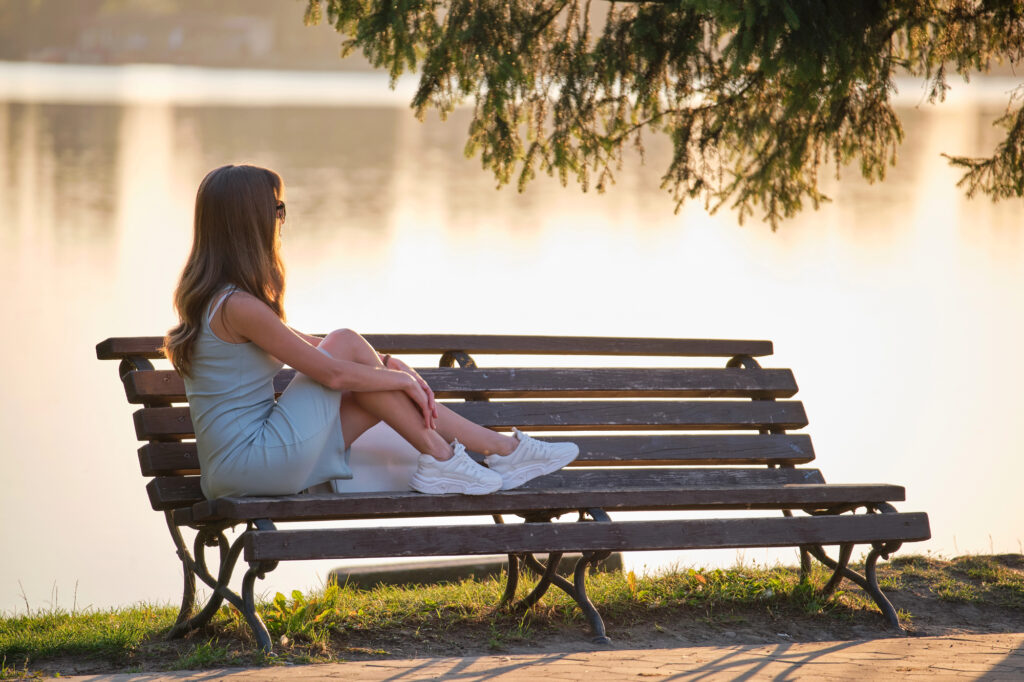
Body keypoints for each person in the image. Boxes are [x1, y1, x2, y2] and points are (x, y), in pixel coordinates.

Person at [163, 164, 578, 500]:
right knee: (344, 341)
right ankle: (467, 454)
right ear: (248, 222)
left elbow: (313, 349)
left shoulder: (219, 300)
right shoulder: (239, 307)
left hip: (247, 464)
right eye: (276, 209)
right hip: (254, 462)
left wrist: (385, 368)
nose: (280, 219)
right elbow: (334, 372)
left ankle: (492, 452)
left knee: (364, 375)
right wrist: (400, 377)